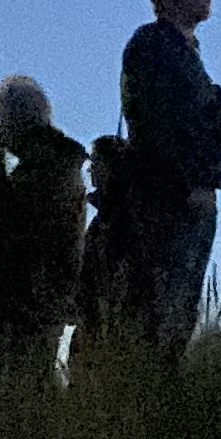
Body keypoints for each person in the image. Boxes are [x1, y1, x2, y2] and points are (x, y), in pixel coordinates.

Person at [119, 0, 221, 354]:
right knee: (162, 310)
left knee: (177, 310)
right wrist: (193, 182)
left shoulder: (184, 50)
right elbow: (161, 123)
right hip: (169, 198)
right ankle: (149, 396)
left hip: (187, 197)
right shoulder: (152, 45)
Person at [0, 73, 88, 377]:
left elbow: (10, 219)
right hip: (48, 282)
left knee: (27, 372)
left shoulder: (46, 169)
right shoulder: (60, 161)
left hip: (36, 285)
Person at [78, 132, 146, 347]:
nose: (90, 170)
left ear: (113, 166)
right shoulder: (105, 214)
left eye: (96, 161)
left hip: (111, 320)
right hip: (93, 315)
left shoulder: (122, 217)